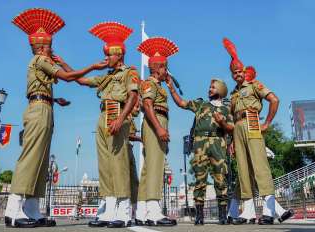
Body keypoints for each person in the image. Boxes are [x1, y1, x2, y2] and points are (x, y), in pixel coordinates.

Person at [5, 8, 106, 228]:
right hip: (38, 110)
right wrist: (92, 66)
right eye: (50, 45)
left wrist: (55, 100)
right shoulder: (40, 59)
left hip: (46, 107)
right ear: (42, 46)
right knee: (31, 157)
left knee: (41, 161)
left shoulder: (41, 61)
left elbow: (44, 86)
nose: (52, 49)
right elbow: (67, 77)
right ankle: (13, 210)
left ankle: (31, 209)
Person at [72, 22, 139, 228]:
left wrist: (121, 119)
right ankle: (109, 209)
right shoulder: (107, 76)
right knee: (105, 165)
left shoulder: (129, 72)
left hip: (118, 113)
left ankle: (125, 210)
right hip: (102, 116)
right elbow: (81, 81)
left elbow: (133, 95)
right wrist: (64, 65)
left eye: (109, 55)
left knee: (118, 163)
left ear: (119, 54)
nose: (107, 58)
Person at [223, 38, 280, 225]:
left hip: (253, 121)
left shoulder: (255, 85)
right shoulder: (233, 94)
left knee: (259, 165)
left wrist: (268, 123)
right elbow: (231, 118)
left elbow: (274, 100)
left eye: (240, 72)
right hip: (237, 127)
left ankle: (269, 211)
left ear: (244, 71)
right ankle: (247, 212)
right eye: (234, 73)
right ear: (231, 74)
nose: (237, 75)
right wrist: (230, 142)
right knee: (243, 169)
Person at [167, 76, 234, 225]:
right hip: (200, 143)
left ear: (221, 90)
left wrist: (222, 122)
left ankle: (223, 215)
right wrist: (171, 88)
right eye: (210, 87)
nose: (209, 89)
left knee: (220, 179)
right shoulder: (200, 104)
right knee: (200, 179)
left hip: (218, 142)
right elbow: (181, 103)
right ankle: (199, 216)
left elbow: (231, 128)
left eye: (213, 87)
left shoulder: (226, 108)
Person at [135, 37, 178, 226]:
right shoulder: (150, 83)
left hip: (157, 121)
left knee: (148, 167)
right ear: (156, 67)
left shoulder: (158, 85)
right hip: (155, 122)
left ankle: (142, 210)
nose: (166, 71)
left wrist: (169, 84)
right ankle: (153, 210)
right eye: (164, 67)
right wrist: (160, 128)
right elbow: (147, 104)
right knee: (155, 165)